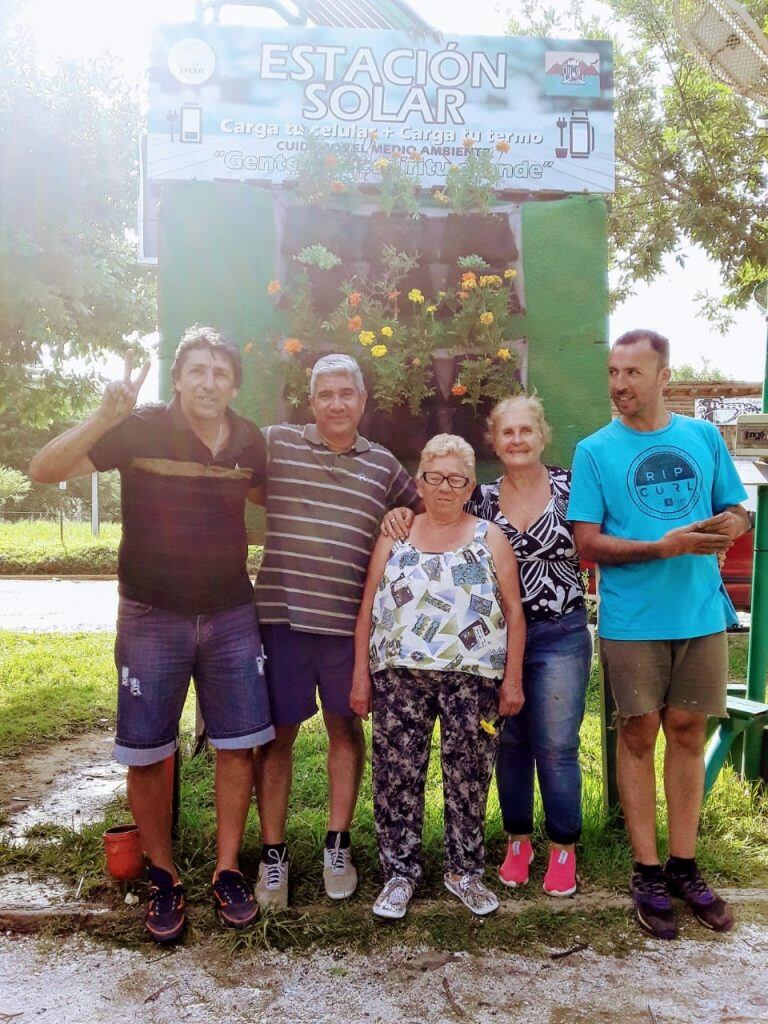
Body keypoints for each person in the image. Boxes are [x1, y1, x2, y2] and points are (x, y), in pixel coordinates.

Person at [29, 327, 274, 942]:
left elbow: (279, 504)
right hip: (150, 615)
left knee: (238, 745)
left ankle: (226, 870)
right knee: (147, 750)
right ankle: (163, 876)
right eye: (197, 370)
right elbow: (43, 470)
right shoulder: (137, 427)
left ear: (235, 384)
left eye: (221, 371)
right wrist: (100, 416)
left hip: (230, 615)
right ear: (178, 377)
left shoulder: (249, 441)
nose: (209, 382)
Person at [568, 328, 749, 940]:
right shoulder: (594, 450)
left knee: (689, 732)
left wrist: (731, 522)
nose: (619, 384)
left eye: (632, 373)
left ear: (663, 376)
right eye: (613, 373)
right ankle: (646, 871)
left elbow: (739, 507)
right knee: (640, 734)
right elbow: (586, 542)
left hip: (700, 613)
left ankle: (684, 864)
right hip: (633, 621)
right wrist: (661, 546)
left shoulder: (701, 438)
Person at [252, 353, 420, 909]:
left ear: (362, 401)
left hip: (349, 628)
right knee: (277, 738)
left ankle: (337, 843)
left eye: (346, 393)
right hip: (281, 619)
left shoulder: (385, 466)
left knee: (346, 731)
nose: (336, 404)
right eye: (325, 394)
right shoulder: (276, 443)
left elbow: (423, 512)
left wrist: (402, 519)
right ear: (311, 400)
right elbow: (238, 474)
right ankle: (271, 856)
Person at [351, 434, 526, 920]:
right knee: (396, 776)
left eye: (456, 479)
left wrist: (512, 679)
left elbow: (513, 611)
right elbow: (367, 608)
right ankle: (399, 875)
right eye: (434, 477)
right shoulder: (395, 534)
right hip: (399, 677)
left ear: (470, 486)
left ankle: (463, 871)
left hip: (472, 679)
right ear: (419, 482)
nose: (445, 487)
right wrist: (360, 677)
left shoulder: (490, 537)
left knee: (468, 776)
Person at [465, 395, 592, 897]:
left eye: (526, 430)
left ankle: (564, 847)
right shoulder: (482, 499)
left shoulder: (571, 487)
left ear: (542, 435)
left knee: (557, 744)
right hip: (497, 638)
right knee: (509, 742)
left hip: (560, 631)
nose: (516, 440)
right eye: (507, 432)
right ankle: (518, 840)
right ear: (494, 442)